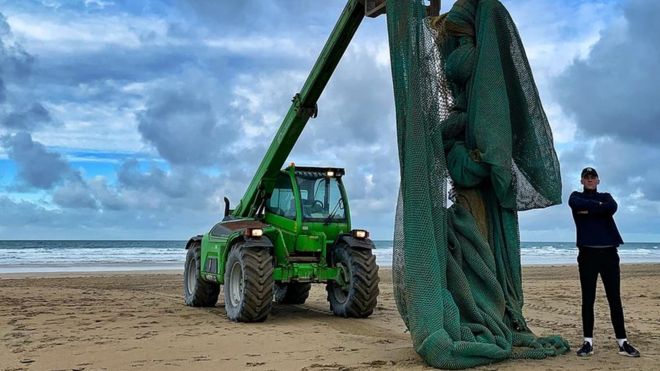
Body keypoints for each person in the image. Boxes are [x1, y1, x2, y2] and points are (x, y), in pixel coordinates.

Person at [569, 167, 640, 357]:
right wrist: (598, 208)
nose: (590, 180)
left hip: (609, 253)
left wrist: (592, 208)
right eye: (587, 177)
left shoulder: (607, 196)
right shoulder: (575, 196)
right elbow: (577, 204)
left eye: (593, 177)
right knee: (588, 299)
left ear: (598, 180)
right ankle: (588, 343)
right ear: (582, 180)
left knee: (614, 299)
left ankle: (623, 343)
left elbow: (611, 207)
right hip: (587, 255)